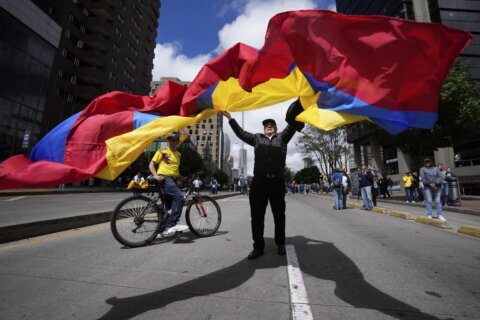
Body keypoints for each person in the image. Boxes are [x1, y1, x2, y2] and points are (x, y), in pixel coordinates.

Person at [220, 100, 302, 260]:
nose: (269, 126)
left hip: (277, 182)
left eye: (272, 124)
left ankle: (280, 243)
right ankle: (258, 247)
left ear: (276, 128)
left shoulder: (283, 138)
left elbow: (293, 124)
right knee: (257, 216)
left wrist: (301, 102)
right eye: (266, 125)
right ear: (263, 128)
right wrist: (230, 118)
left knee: (279, 215)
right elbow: (241, 133)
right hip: (259, 183)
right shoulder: (257, 138)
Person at [148, 132, 189, 237]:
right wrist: (156, 175)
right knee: (179, 198)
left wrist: (182, 178)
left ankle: (161, 230)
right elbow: (151, 164)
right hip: (164, 178)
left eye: (174, 140)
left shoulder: (178, 154)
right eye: (169, 139)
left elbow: (175, 170)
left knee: (168, 207)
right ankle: (171, 226)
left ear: (177, 142)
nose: (171, 141)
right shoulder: (162, 151)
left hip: (173, 180)